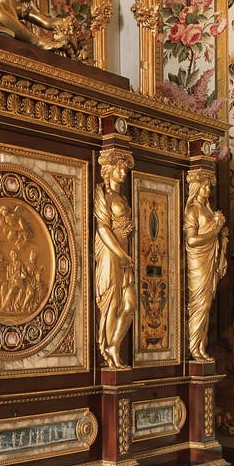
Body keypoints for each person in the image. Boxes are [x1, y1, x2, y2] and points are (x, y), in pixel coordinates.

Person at [94, 149, 136, 369]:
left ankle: (113, 346)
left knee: (129, 304)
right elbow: (102, 229)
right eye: (119, 168)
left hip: (125, 255)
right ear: (109, 170)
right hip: (112, 254)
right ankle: (110, 354)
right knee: (112, 303)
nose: (123, 172)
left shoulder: (123, 198)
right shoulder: (103, 195)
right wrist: (122, 253)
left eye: (124, 168)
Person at [184, 168, 228, 361]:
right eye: (204, 186)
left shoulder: (208, 210)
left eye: (209, 186)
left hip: (209, 258)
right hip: (197, 260)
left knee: (207, 303)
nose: (208, 189)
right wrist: (215, 229)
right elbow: (191, 240)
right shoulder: (193, 210)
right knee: (199, 303)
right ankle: (194, 348)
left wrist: (222, 235)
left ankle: (201, 347)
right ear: (196, 187)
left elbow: (215, 236)